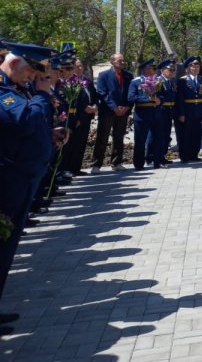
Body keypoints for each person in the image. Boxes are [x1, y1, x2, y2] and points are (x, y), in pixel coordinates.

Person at [0, 42, 60, 333]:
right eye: (29, 70)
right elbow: (22, 121)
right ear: (13, 64)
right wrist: (42, 94)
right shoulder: (5, 93)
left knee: (7, 245)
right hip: (10, 177)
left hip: (23, 175)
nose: (31, 77)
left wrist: (50, 132)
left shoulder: (17, 90)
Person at [92, 53, 133, 172]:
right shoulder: (103, 75)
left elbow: (130, 93)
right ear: (112, 62)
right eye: (119, 60)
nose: (122, 62)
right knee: (102, 137)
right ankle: (96, 164)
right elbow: (102, 92)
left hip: (123, 111)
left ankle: (117, 163)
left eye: (123, 60)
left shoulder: (128, 76)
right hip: (107, 111)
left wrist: (126, 107)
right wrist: (114, 107)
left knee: (119, 138)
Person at [61, 59, 98, 176]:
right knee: (72, 144)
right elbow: (74, 100)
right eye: (77, 66)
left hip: (87, 116)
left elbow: (94, 95)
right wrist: (82, 110)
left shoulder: (87, 81)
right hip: (77, 116)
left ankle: (76, 168)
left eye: (81, 66)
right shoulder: (70, 81)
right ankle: (68, 169)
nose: (80, 68)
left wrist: (95, 106)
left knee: (81, 144)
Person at [127, 60, 165, 170]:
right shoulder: (136, 81)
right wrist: (147, 98)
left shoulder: (159, 81)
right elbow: (131, 97)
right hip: (142, 114)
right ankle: (139, 164)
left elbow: (163, 95)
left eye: (153, 68)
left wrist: (159, 100)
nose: (153, 70)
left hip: (155, 113)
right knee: (140, 140)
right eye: (150, 68)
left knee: (158, 139)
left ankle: (158, 162)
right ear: (144, 69)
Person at [175, 56, 202, 163]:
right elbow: (179, 99)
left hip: (199, 110)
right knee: (186, 134)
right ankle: (184, 156)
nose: (196, 68)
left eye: (198, 66)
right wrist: (181, 114)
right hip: (187, 111)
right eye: (193, 67)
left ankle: (194, 154)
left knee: (197, 134)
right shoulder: (182, 81)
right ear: (188, 68)